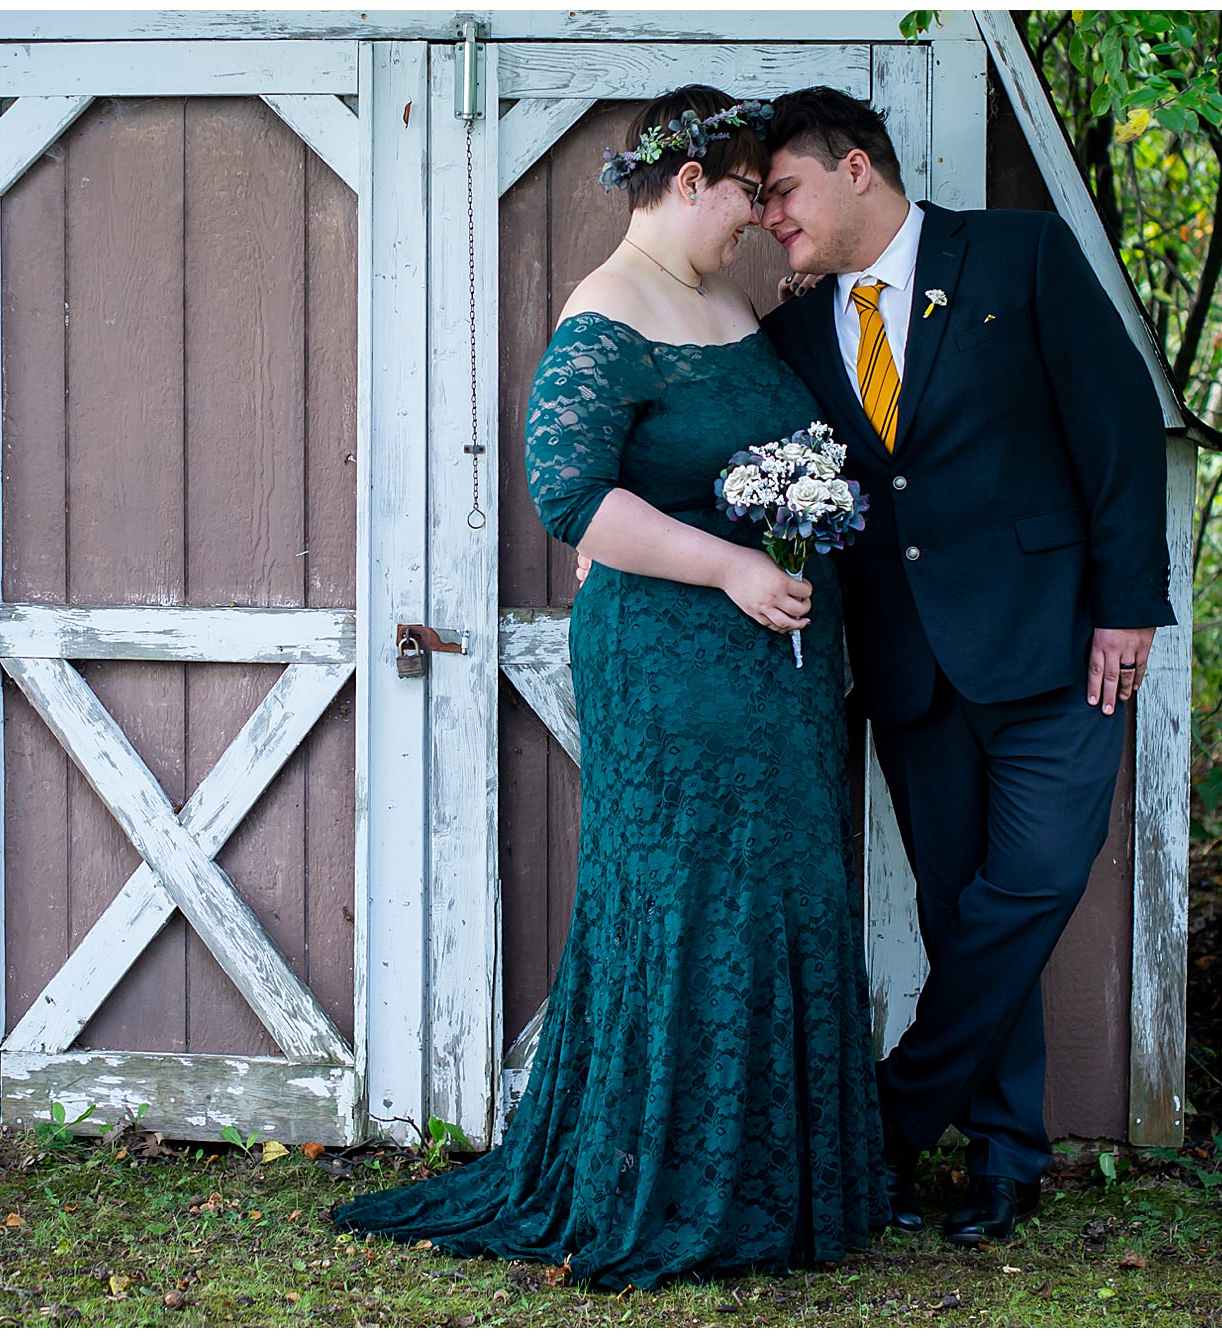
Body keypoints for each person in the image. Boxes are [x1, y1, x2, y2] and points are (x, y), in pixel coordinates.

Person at [329, 86, 888, 1291]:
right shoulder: (604, 314)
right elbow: (571, 498)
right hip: (672, 662)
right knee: (689, 898)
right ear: (687, 183)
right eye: (747, 193)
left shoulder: (727, 295)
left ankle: (776, 1188)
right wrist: (732, 563)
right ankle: (672, 1188)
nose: (758, 219)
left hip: (775, 665)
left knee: (779, 890)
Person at [755, 86, 1175, 1245]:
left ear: (853, 168)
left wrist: (1126, 606)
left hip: (1057, 646)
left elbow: (1117, 427)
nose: (768, 219)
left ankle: (888, 1123)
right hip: (909, 669)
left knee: (1030, 886)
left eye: (781, 191)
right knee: (960, 913)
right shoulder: (794, 326)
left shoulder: (1018, 254)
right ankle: (1002, 1161)